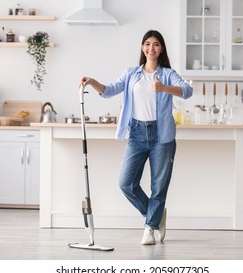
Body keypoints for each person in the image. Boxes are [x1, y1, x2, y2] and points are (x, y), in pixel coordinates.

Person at [80, 30, 193, 245]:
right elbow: (110, 89)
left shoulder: (168, 73)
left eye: (156, 44)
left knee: (159, 186)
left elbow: (187, 91)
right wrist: (93, 82)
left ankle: (150, 228)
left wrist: (163, 88)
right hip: (137, 133)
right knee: (126, 183)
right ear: (142, 47)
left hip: (163, 135)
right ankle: (155, 216)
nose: (152, 48)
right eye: (148, 44)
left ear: (161, 49)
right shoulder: (132, 74)